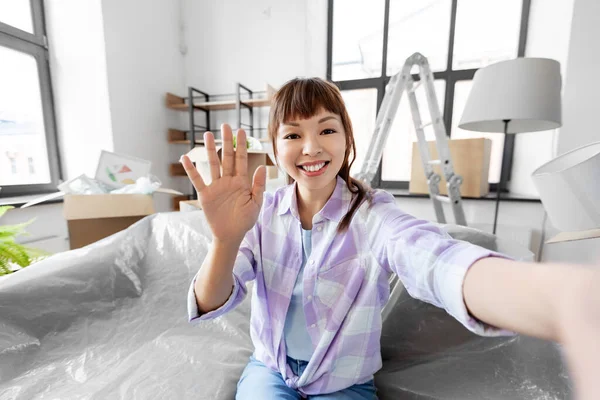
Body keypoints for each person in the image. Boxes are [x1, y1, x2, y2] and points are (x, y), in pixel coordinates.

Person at [182, 77, 600, 400]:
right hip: (270, 371)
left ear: (346, 141)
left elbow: (432, 257)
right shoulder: (259, 213)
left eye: (326, 130)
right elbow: (210, 301)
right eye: (292, 135)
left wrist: (561, 298)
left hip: (342, 383)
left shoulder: (373, 215)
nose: (310, 147)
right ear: (274, 149)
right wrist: (225, 239)